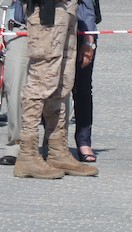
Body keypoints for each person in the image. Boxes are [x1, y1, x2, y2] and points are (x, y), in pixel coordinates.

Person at [14, 0, 97, 179]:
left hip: (67, 10)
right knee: (40, 80)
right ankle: (27, 154)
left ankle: (57, 150)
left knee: (62, 82)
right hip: (45, 9)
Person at [0, 0, 28, 167]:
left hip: (54, 28)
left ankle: (54, 147)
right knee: (15, 88)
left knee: (55, 91)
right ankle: (15, 146)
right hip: (20, 27)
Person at [71, 0, 99, 163]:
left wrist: (89, 40)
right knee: (52, 89)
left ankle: (83, 141)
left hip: (81, 31)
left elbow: (87, 8)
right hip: (47, 31)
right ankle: (52, 141)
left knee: (82, 89)